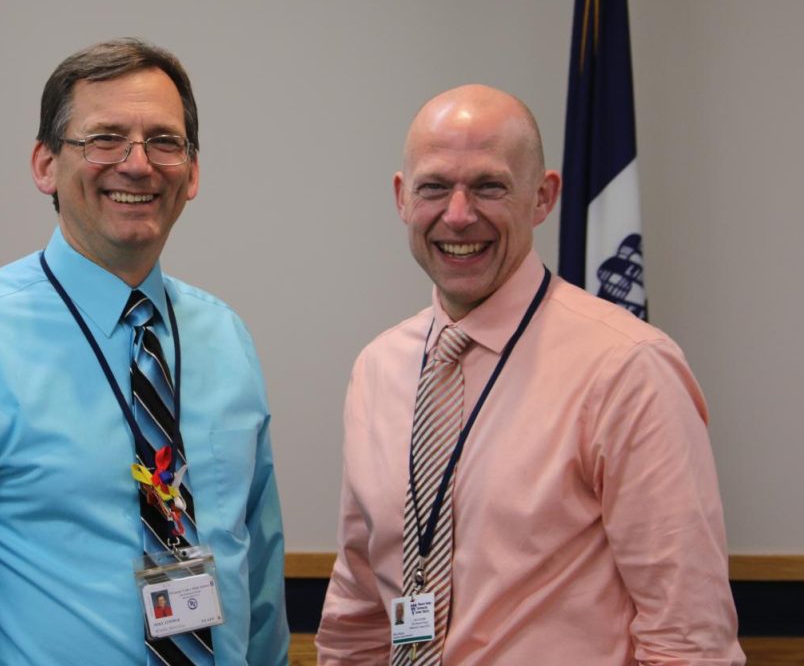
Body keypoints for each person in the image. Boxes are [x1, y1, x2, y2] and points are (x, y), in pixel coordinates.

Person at [0, 39, 288, 665]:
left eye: (164, 142)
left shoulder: (226, 339)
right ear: (44, 165)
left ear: (192, 172)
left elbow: (261, 578)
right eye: (104, 139)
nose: (138, 164)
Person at [316, 85, 744, 664]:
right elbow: (359, 606)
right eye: (435, 187)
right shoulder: (377, 368)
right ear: (401, 197)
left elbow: (688, 638)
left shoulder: (629, 370)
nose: (459, 215)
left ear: (543, 198)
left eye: (489, 186)